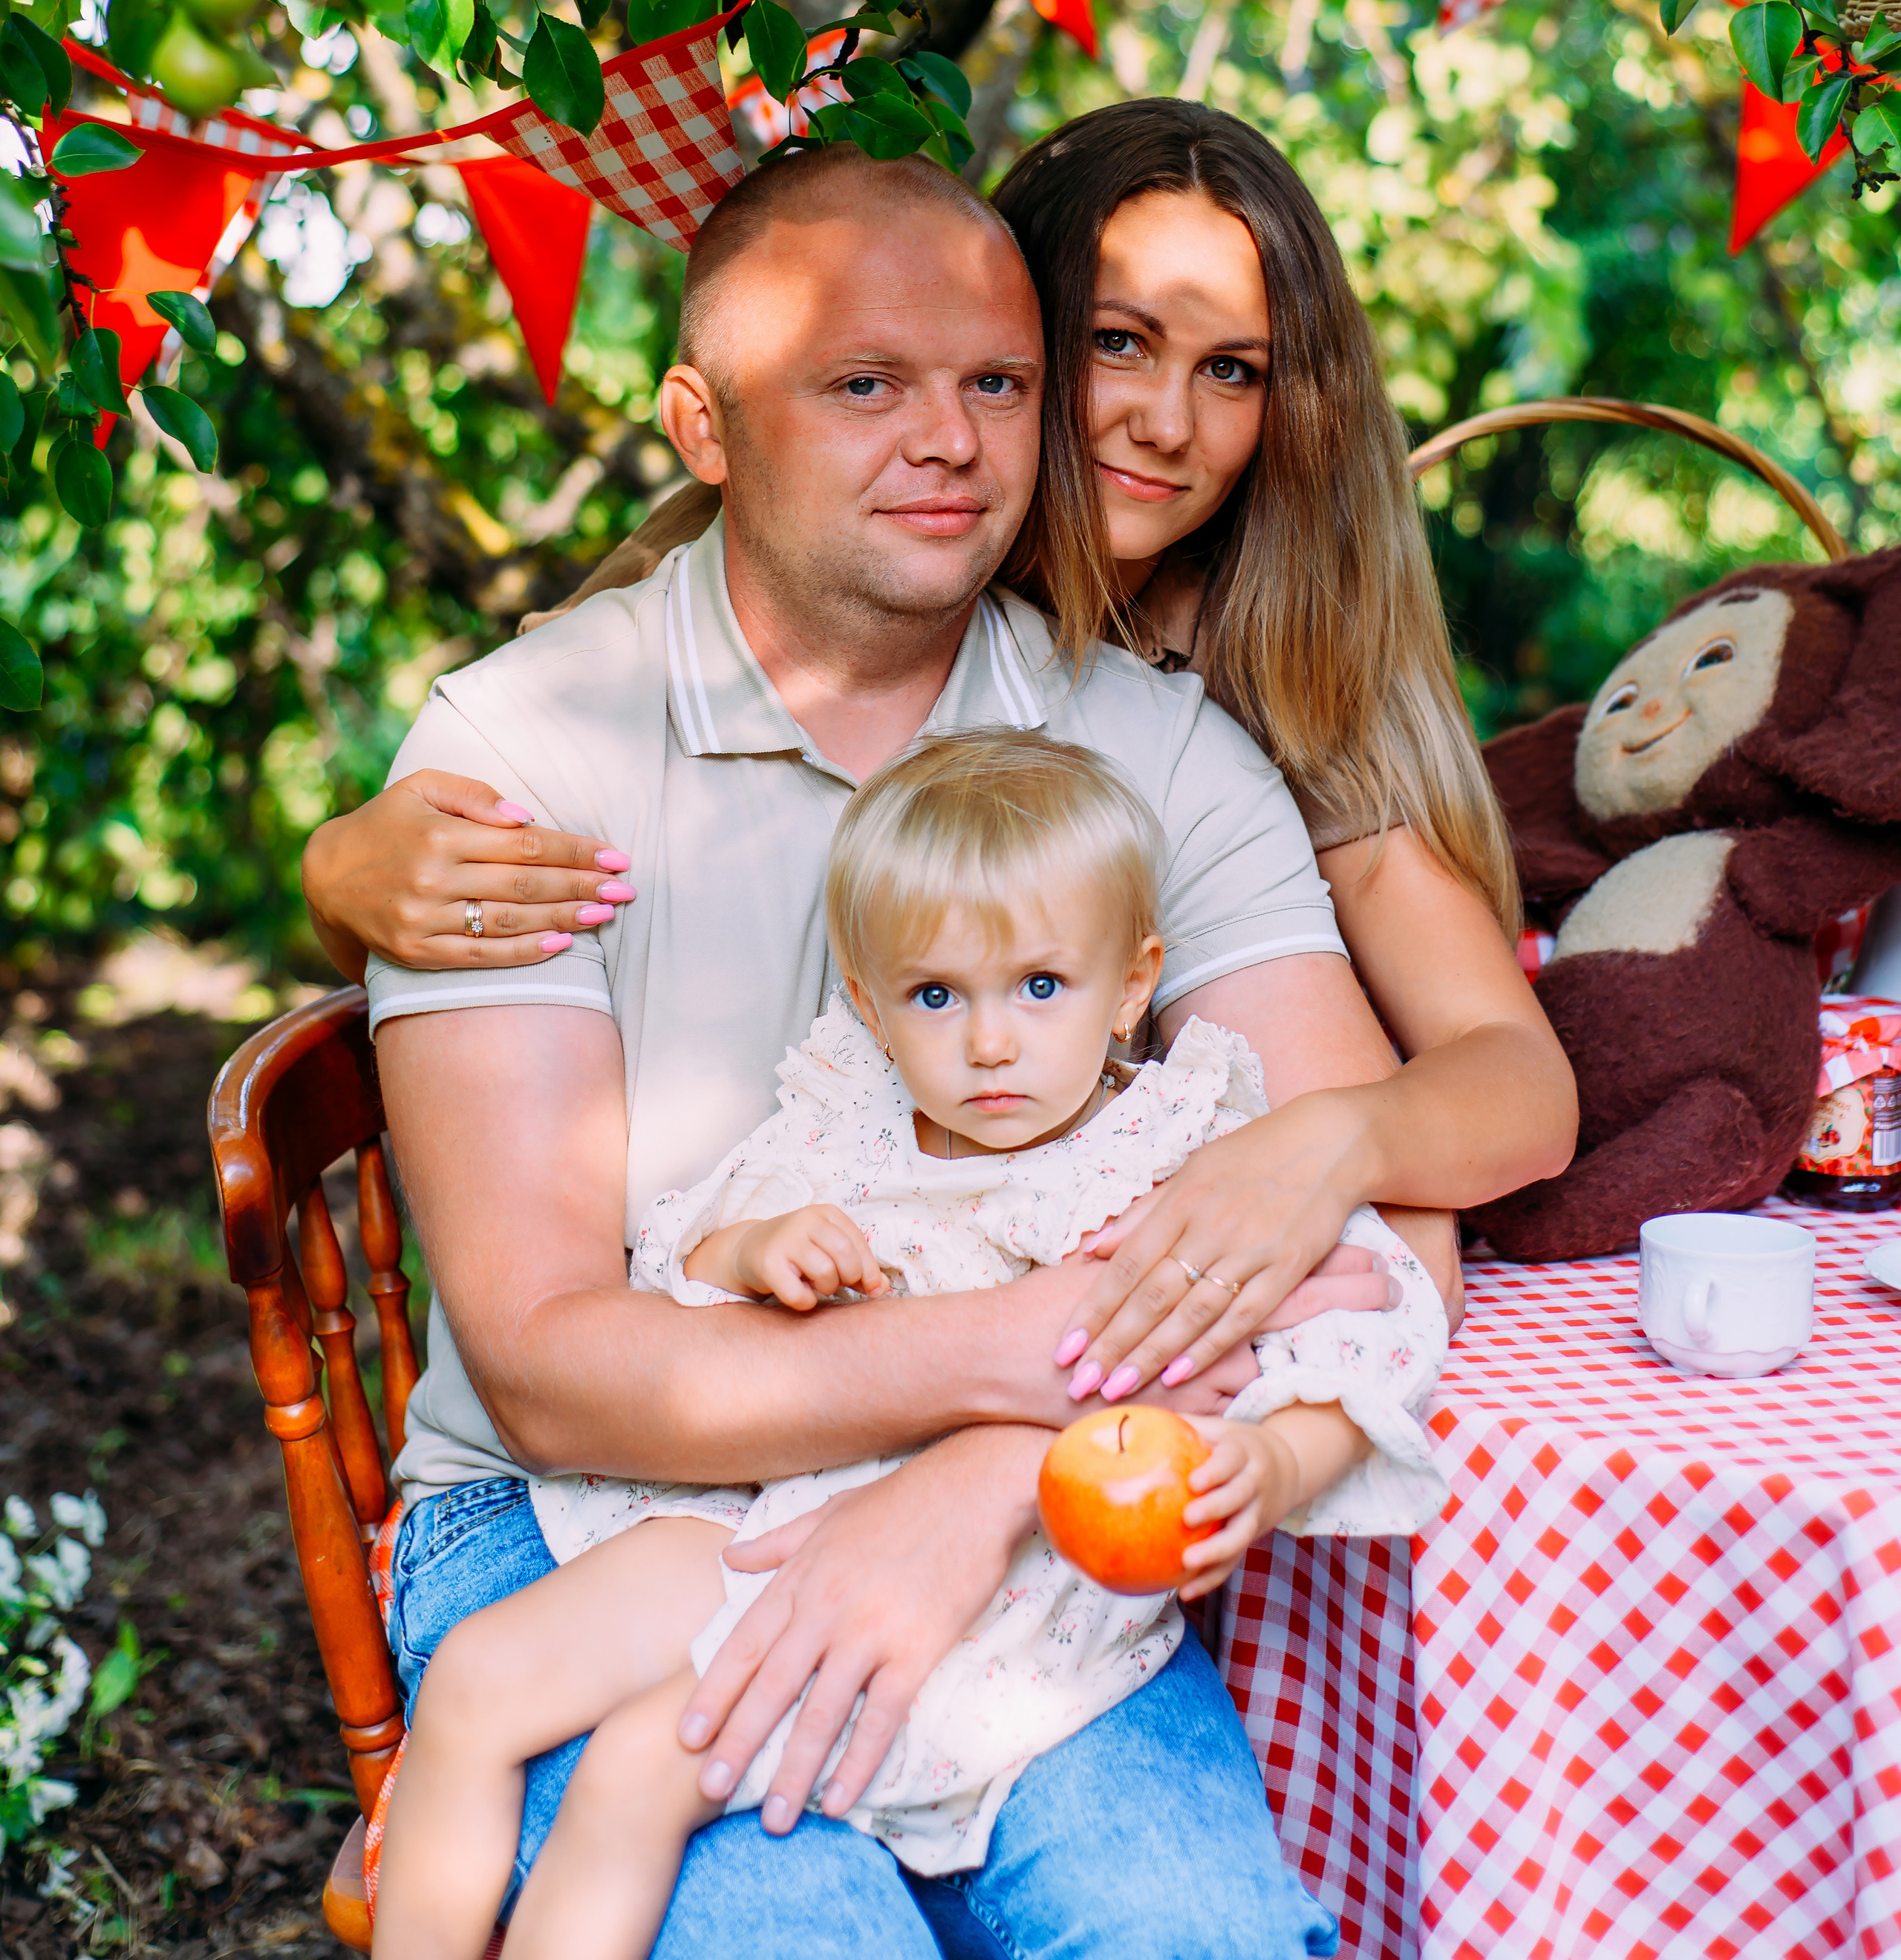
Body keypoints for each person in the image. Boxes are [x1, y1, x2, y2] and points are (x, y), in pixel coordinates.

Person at [305, 133, 1574, 1959]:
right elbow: (558, 1377)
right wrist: (1024, 1361)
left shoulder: (1158, 743)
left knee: (1189, 1937)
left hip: (1018, 1509)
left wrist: (979, 1477)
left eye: (991, 383)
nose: (952, 441)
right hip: (586, 1503)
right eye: (862, 384)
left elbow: (1361, 1237)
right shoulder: (531, 755)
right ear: (702, 424)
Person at [371, 732, 1449, 1960]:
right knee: (473, 1679)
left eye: (1042, 985)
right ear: (877, 1004)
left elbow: (1364, 1320)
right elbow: (682, 1263)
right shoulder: (857, 1122)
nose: (990, 1042)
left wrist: (1286, 1462)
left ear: (1134, 980)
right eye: (940, 995)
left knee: (633, 1774)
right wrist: (760, 1251)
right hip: (778, 1507)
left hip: (1017, 1591)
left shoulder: (1178, 1153)